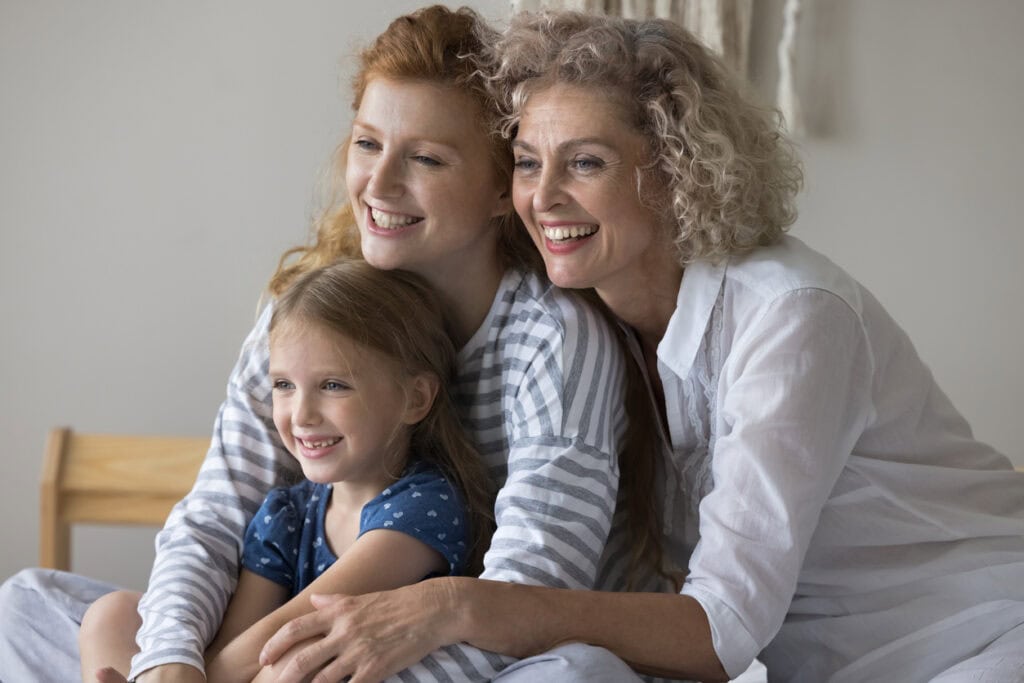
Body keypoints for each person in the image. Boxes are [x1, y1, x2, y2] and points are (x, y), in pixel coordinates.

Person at [251, 10, 1024, 683]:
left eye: (585, 162)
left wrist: (454, 604)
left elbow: (720, 629)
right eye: (526, 162)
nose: (542, 197)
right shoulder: (582, 321)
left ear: (678, 171)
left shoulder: (791, 316)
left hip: (978, 636)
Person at [0, 6, 648, 683]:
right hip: (292, 656)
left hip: (460, 659)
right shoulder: (305, 311)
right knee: (26, 604)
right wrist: (169, 663)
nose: (381, 182)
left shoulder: (553, 338)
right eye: (368, 144)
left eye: (425, 157)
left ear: (498, 188)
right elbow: (219, 514)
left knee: (579, 673)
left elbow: (526, 599)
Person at [77, 259, 495, 682]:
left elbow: (291, 628)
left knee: (290, 662)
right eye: (283, 386)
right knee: (110, 617)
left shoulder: (426, 505)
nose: (302, 414)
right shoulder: (287, 514)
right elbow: (235, 642)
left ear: (415, 398)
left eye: (334, 385)